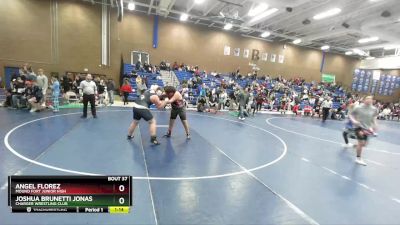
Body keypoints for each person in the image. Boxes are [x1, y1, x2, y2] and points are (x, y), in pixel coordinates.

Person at [348, 96, 378, 166]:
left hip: (368, 128)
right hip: (359, 127)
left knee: (364, 144)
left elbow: (374, 117)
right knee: (361, 143)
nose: (369, 100)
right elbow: (351, 114)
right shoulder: (358, 107)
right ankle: (358, 158)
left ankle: (355, 145)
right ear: (364, 100)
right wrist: (354, 121)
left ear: (372, 101)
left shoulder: (374, 109)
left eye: (370, 99)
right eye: (367, 99)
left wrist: (375, 124)